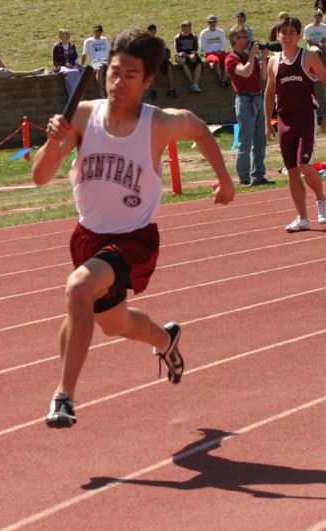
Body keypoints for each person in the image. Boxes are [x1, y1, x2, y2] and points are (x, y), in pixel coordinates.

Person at [31, 28, 235, 428]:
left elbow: (197, 127)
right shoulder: (84, 116)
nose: (117, 82)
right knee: (114, 323)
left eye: (129, 75)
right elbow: (40, 177)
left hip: (134, 239)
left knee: (78, 290)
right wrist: (53, 142)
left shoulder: (156, 124)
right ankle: (166, 340)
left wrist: (225, 181)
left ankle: (63, 397)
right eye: (114, 72)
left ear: (147, 82)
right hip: (88, 237)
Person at [264, 16, 326, 232]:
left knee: (304, 165)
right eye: (284, 32)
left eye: (292, 32)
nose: (288, 35)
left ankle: (321, 199)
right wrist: (267, 122)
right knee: (291, 171)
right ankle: (302, 218)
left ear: (299, 35)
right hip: (284, 120)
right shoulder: (273, 61)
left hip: (305, 118)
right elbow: (269, 92)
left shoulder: (308, 57)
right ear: (278, 35)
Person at [226, 28, 272, 186]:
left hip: (257, 98)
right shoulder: (231, 58)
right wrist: (253, 55)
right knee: (245, 141)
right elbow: (245, 72)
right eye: (243, 37)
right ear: (234, 40)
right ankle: (244, 177)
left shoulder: (247, 56)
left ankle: (258, 175)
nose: (247, 39)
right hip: (245, 100)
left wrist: (264, 59)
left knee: (260, 140)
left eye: (247, 36)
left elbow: (263, 77)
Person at [146, 23, 178, 99]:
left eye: (153, 30)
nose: (152, 32)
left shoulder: (160, 41)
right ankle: (153, 90)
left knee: (169, 66)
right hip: (151, 61)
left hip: (160, 60)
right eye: (150, 31)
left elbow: (167, 50)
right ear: (148, 31)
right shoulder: (145, 42)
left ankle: (171, 89)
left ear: (156, 31)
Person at [200, 15, 230, 87]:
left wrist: (220, 50)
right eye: (210, 22)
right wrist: (211, 51)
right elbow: (202, 47)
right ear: (208, 23)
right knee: (215, 60)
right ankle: (220, 79)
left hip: (220, 51)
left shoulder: (221, 32)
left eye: (213, 22)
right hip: (209, 53)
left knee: (229, 60)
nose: (212, 24)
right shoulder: (204, 33)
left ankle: (224, 79)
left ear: (216, 22)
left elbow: (224, 43)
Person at [81, 24, 110, 97]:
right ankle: (101, 91)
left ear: (101, 32)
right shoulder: (88, 41)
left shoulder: (105, 39)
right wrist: (82, 65)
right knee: (99, 69)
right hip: (96, 60)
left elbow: (110, 52)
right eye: (96, 31)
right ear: (93, 32)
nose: (97, 33)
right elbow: (84, 54)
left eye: (99, 32)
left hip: (106, 60)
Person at [52, 28, 84, 95]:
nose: (68, 35)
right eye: (66, 34)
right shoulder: (57, 46)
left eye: (68, 34)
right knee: (70, 72)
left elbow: (74, 57)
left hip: (71, 65)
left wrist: (71, 63)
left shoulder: (72, 46)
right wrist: (65, 64)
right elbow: (56, 59)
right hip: (62, 66)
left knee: (76, 71)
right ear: (61, 36)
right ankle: (74, 93)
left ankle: (77, 92)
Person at [175, 20, 203, 93]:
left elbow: (195, 48)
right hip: (181, 55)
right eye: (188, 28)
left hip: (191, 54)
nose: (190, 30)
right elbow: (178, 51)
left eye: (190, 28)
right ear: (183, 29)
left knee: (200, 62)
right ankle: (193, 83)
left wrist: (193, 54)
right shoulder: (178, 37)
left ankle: (195, 83)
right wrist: (188, 56)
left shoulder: (193, 36)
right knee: (184, 63)